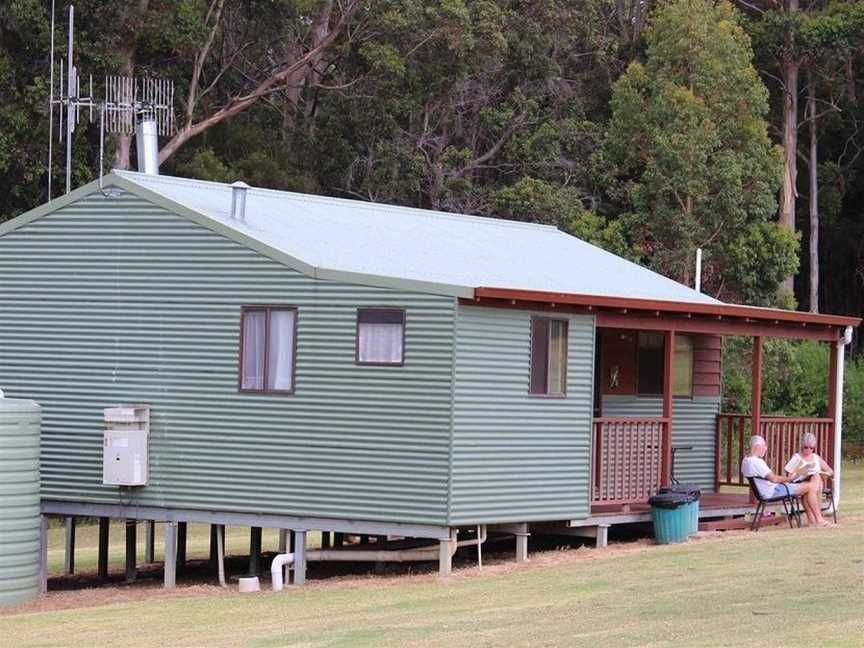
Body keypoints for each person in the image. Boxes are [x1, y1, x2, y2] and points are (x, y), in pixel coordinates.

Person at [741, 435, 829, 527]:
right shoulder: (757, 462)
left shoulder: (745, 461)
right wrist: (789, 479)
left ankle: (812, 521)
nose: (766, 449)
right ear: (758, 447)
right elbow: (774, 479)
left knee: (808, 487)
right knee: (811, 487)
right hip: (773, 491)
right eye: (764, 446)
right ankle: (819, 520)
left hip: (765, 491)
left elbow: (768, 478)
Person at [785, 432, 834, 520]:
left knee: (816, 477)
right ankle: (818, 518)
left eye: (811, 448)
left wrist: (826, 474)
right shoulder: (796, 457)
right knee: (816, 480)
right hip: (800, 483)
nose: (808, 450)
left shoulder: (815, 457)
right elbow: (789, 477)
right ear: (802, 446)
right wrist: (800, 472)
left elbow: (830, 470)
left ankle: (813, 519)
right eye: (806, 447)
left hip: (815, 484)